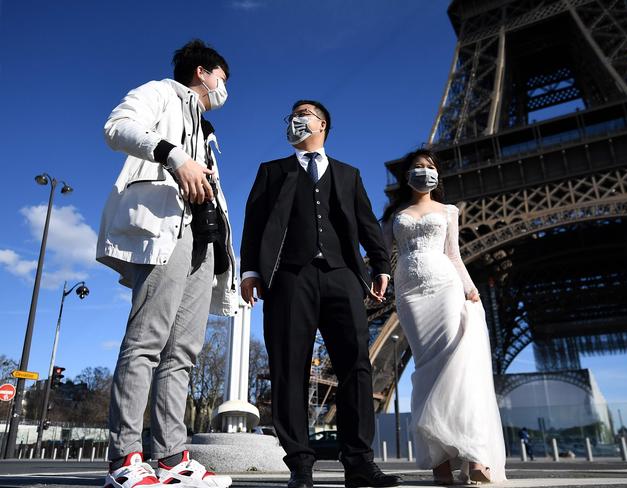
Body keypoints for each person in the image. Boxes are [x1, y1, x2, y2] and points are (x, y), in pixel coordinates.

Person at [97, 39, 239, 488]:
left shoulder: (208, 130)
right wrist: (173, 155)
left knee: (183, 353)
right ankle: (125, 456)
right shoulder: (159, 93)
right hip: (165, 228)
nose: (223, 88)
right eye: (223, 79)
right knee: (147, 340)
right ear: (202, 72)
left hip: (204, 239)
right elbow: (116, 127)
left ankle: (171, 457)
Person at [240, 100, 402, 488]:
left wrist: (380, 266)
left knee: (357, 368)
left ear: (323, 124)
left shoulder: (348, 174)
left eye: (304, 113)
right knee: (288, 369)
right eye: (291, 115)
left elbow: (367, 223)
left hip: (343, 276)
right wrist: (249, 271)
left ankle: (360, 462)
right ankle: (299, 463)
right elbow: (254, 222)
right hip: (289, 277)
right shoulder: (272, 171)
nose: (295, 119)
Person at [381, 149, 506, 485]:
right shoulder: (395, 215)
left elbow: (454, 255)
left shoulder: (449, 211)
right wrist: (379, 280)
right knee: (428, 370)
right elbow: (380, 256)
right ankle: (440, 459)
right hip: (409, 294)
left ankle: (474, 455)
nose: (424, 171)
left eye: (430, 166)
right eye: (418, 167)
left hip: (445, 287)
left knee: (455, 368)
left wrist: (470, 288)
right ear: (406, 175)